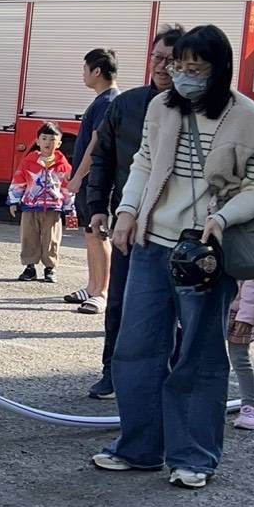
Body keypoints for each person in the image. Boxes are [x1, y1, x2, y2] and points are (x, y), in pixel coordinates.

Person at [99, 24, 254, 489]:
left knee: (198, 355)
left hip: (204, 253)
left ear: (218, 70)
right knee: (135, 348)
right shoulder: (161, 107)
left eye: (193, 69)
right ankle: (138, 448)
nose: (181, 76)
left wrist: (223, 219)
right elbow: (143, 163)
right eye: (177, 67)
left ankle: (194, 456)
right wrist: (126, 210)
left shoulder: (251, 117)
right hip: (150, 244)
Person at [82, 26, 181, 399]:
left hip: (176, 227)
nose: (162, 66)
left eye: (171, 60)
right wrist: (97, 207)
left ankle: (171, 376)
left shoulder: (196, 112)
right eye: (157, 57)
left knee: (175, 307)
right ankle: (112, 371)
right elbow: (103, 156)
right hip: (128, 222)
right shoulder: (127, 105)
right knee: (121, 301)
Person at [64, 48, 119, 313]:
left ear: (97, 70)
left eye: (85, 69)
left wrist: (77, 178)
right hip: (89, 180)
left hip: (98, 180)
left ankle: (102, 292)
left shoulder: (109, 102)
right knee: (89, 234)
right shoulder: (101, 100)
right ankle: (92, 285)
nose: (83, 75)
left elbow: (96, 144)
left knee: (99, 234)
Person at [8, 122, 73, 284]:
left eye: (52, 140)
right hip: (30, 207)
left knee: (51, 238)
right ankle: (30, 267)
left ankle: (50, 268)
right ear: (37, 141)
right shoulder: (28, 162)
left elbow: (67, 188)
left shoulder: (63, 166)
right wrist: (14, 201)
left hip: (53, 209)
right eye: (44, 139)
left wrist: (70, 209)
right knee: (29, 237)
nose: (48, 143)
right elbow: (18, 182)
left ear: (59, 144)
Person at [228, 278, 254, 431]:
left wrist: (246, 317)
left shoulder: (249, 255)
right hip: (212, 308)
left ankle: (250, 405)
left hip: (238, 313)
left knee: (240, 359)